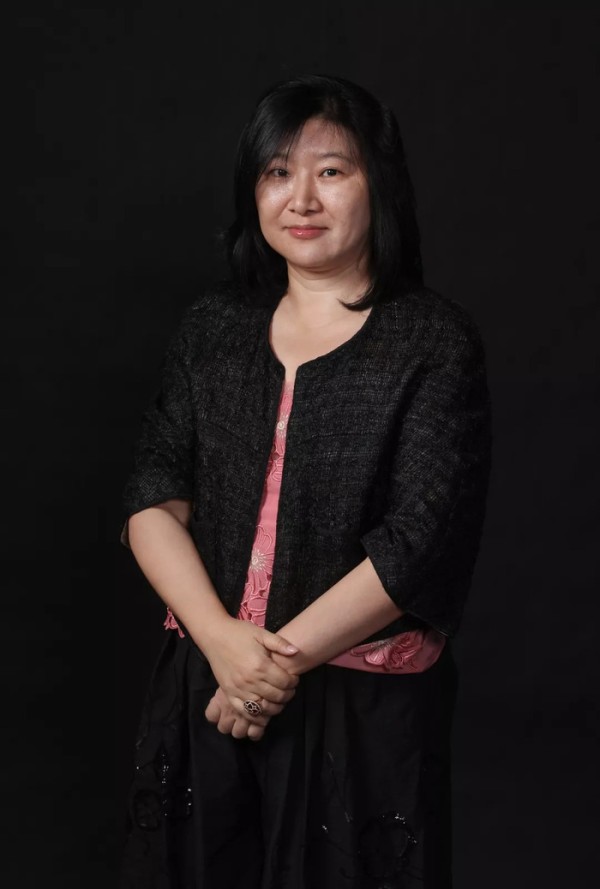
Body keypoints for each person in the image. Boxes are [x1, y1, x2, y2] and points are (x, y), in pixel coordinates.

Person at [119, 74, 492, 889]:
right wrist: (224, 645)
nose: (302, 198)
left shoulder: (433, 340)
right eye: (278, 172)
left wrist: (266, 670)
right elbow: (153, 496)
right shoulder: (213, 327)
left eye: (331, 171)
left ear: (377, 184)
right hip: (206, 684)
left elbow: (418, 542)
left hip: (358, 708)